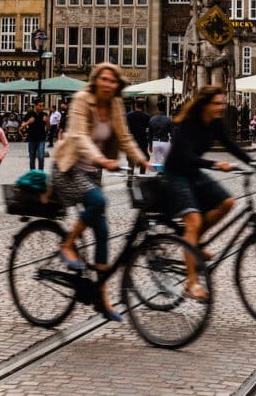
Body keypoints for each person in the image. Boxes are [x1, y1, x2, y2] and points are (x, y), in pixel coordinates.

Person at [52, 64, 148, 320]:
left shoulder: (115, 104)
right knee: (98, 201)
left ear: (117, 84)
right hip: (69, 168)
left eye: (112, 80)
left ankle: (102, 298)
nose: (107, 84)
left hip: (93, 172)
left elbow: (125, 137)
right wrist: (102, 159)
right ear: (96, 81)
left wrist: (144, 161)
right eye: (103, 79)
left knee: (103, 231)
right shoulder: (82, 100)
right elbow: (80, 137)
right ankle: (68, 244)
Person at [163, 84, 256, 301]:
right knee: (194, 221)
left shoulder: (215, 122)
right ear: (205, 104)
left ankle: (195, 242)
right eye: (217, 104)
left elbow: (230, 144)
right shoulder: (190, 123)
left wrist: (253, 162)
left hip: (193, 172)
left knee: (227, 202)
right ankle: (191, 283)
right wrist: (216, 164)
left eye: (223, 104)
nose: (221, 108)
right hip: (176, 173)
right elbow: (186, 157)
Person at [20, 100, 49, 171]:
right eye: (40, 106)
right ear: (35, 106)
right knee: (32, 157)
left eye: (43, 105)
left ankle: (40, 174)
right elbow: (21, 127)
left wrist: (47, 121)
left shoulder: (44, 114)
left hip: (41, 139)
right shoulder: (29, 114)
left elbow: (48, 128)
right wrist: (28, 122)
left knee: (41, 157)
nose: (42, 107)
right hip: (32, 139)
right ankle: (33, 173)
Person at [125, 98, 151, 169]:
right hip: (142, 140)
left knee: (131, 160)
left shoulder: (129, 115)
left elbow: (126, 128)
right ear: (143, 106)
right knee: (143, 159)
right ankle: (141, 177)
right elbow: (148, 129)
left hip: (132, 140)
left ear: (135, 105)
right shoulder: (147, 116)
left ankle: (130, 177)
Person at [148, 101, 173, 170]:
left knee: (158, 163)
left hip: (155, 142)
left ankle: (159, 175)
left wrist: (150, 146)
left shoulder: (152, 119)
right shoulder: (168, 120)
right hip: (165, 142)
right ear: (165, 108)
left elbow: (150, 134)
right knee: (167, 161)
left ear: (157, 108)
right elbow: (172, 133)